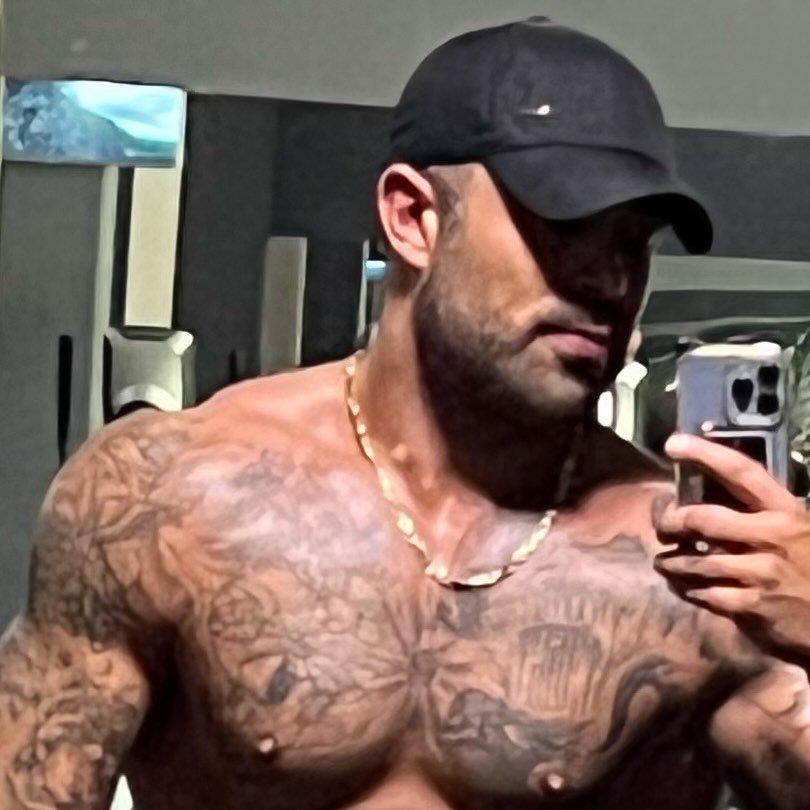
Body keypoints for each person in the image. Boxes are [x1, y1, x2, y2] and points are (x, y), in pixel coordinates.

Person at [2, 17, 810, 810]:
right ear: (413, 219)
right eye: (565, 229)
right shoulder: (166, 500)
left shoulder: (698, 571)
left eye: (633, 241)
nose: (610, 280)